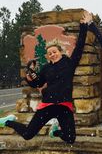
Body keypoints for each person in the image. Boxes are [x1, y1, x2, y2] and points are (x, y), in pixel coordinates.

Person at [0, 10, 92, 144]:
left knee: (70, 138)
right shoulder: (46, 68)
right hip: (47, 106)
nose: (52, 55)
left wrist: (84, 26)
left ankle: (55, 131)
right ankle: (8, 121)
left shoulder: (69, 63)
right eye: (49, 54)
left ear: (60, 52)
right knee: (27, 134)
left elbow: (80, 46)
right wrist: (29, 76)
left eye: (54, 52)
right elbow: (37, 83)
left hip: (64, 106)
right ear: (47, 56)